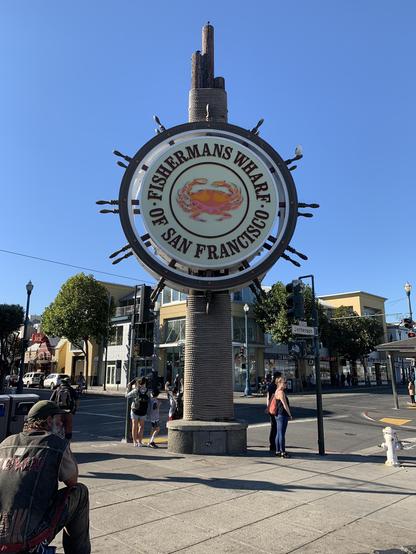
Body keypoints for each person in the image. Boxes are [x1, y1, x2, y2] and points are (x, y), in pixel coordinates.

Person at [0, 400, 90, 553]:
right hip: (30, 535)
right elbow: (72, 481)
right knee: (80, 492)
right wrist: (65, 440)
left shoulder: (5, 443)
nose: (62, 424)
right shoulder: (55, 444)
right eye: (60, 420)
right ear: (49, 420)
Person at [125, 377, 149, 447]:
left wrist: (128, 388)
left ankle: (134, 441)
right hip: (143, 411)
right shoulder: (147, 391)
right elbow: (149, 400)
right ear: (145, 383)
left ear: (138, 383)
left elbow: (126, 396)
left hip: (135, 410)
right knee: (141, 426)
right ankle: (140, 442)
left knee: (134, 426)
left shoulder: (136, 390)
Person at [274, 377, 293, 458]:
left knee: (278, 433)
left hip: (278, 414)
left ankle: (278, 451)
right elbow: (285, 405)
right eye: (284, 382)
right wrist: (290, 414)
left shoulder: (276, 391)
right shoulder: (281, 392)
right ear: (280, 383)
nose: (286, 384)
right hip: (282, 415)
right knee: (282, 434)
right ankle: (283, 452)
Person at [266, 371, 281, 453]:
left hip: (271, 409)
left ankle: (272, 445)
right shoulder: (274, 386)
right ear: (277, 378)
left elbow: (268, 397)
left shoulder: (271, 386)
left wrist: (268, 407)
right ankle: (274, 445)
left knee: (273, 427)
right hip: (275, 409)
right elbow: (272, 397)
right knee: (275, 427)